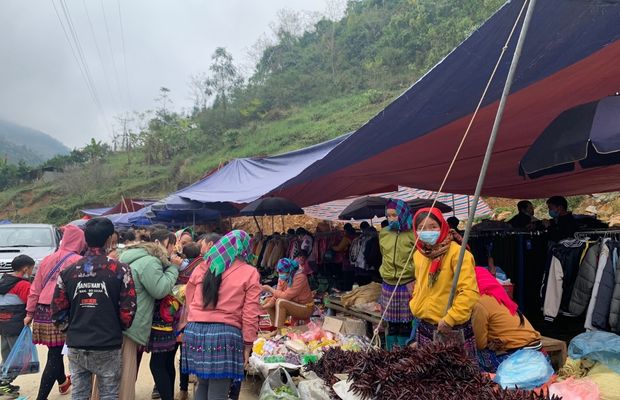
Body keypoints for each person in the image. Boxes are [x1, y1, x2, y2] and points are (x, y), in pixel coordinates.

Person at [51, 217, 137, 400]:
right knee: (108, 393)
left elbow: (57, 311)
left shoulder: (68, 271)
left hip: (77, 342)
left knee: (80, 393)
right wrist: (117, 328)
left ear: (85, 239)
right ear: (110, 240)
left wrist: (70, 329)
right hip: (108, 341)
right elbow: (128, 310)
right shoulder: (120, 270)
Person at [182, 230, 262, 400]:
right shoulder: (249, 272)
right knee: (219, 391)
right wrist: (248, 343)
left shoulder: (202, 267)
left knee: (203, 384)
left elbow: (189, 299)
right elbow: (250, 313)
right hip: (224, 336)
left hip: (195, 331)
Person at [117, 230, 182, 400]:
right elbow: (160, 290)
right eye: (171, 244)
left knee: (158, 363)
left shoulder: (130, 257)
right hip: (140, 321)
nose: (172, 249)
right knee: (146, 366)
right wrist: (173, 268)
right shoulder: (151, 262)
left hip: (127, 317)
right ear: (159, 243)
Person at [25, 224, 86, 400]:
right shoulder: (77, 261)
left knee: (55, 350)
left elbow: (35, 288)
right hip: (63, 310)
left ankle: (62, 381)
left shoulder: (47, 259)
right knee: (55, 354)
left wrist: (29, 312)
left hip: (43, 311)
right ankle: (41, 397)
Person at [409, 207, 479, 357]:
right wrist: (416, 302)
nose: (427, 231)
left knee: (457, 377)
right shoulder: (419, 255)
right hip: (425, 325)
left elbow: (469, 292)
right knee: (426, 377)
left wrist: (450, 318)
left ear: (442, 226)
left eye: (433, 227)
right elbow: (419, 284)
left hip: (451, 327)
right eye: (422, 228)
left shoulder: (459, 255)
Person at [472, 267, 541, 372]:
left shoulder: (480, 303)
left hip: (519, 354)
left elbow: (480, 344)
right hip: (537, 350)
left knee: (473, 355)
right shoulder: (499, 296)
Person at [379, 199, 416, 350]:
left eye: (394, 215)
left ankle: (403, 354)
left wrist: (409, 271)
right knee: (391, 324)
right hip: (388, 282)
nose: (391, 219)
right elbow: (383, 254)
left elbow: (418, 258)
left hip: (406, 283)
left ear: (403, 214)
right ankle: (390, 353)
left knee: (405, 324)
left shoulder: (413, 234)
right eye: (388, 215)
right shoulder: (383, 233)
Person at [0, 255, 35, 397]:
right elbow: (31, 304)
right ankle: (4, 383)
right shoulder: (23, 285)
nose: (32, 272)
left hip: (3, 325)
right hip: (16, 325)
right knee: (19, 358)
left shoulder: (3, 280)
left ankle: (4, 382)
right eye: (32, 269)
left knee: (7, 355)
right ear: (25, 268)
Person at [262, 258, 314, 330]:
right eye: (279, 273)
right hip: (293, 303)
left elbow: (285, 296)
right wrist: (264, 306)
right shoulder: (282, 277)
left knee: (281, 302)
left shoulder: (300, 277)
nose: (281, 275)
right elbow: (277, 294)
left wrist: (270, 289)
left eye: (283, 273)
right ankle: (275, 328)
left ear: (290, 270)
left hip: (306, 308)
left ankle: (279, 331)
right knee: (267, 300)